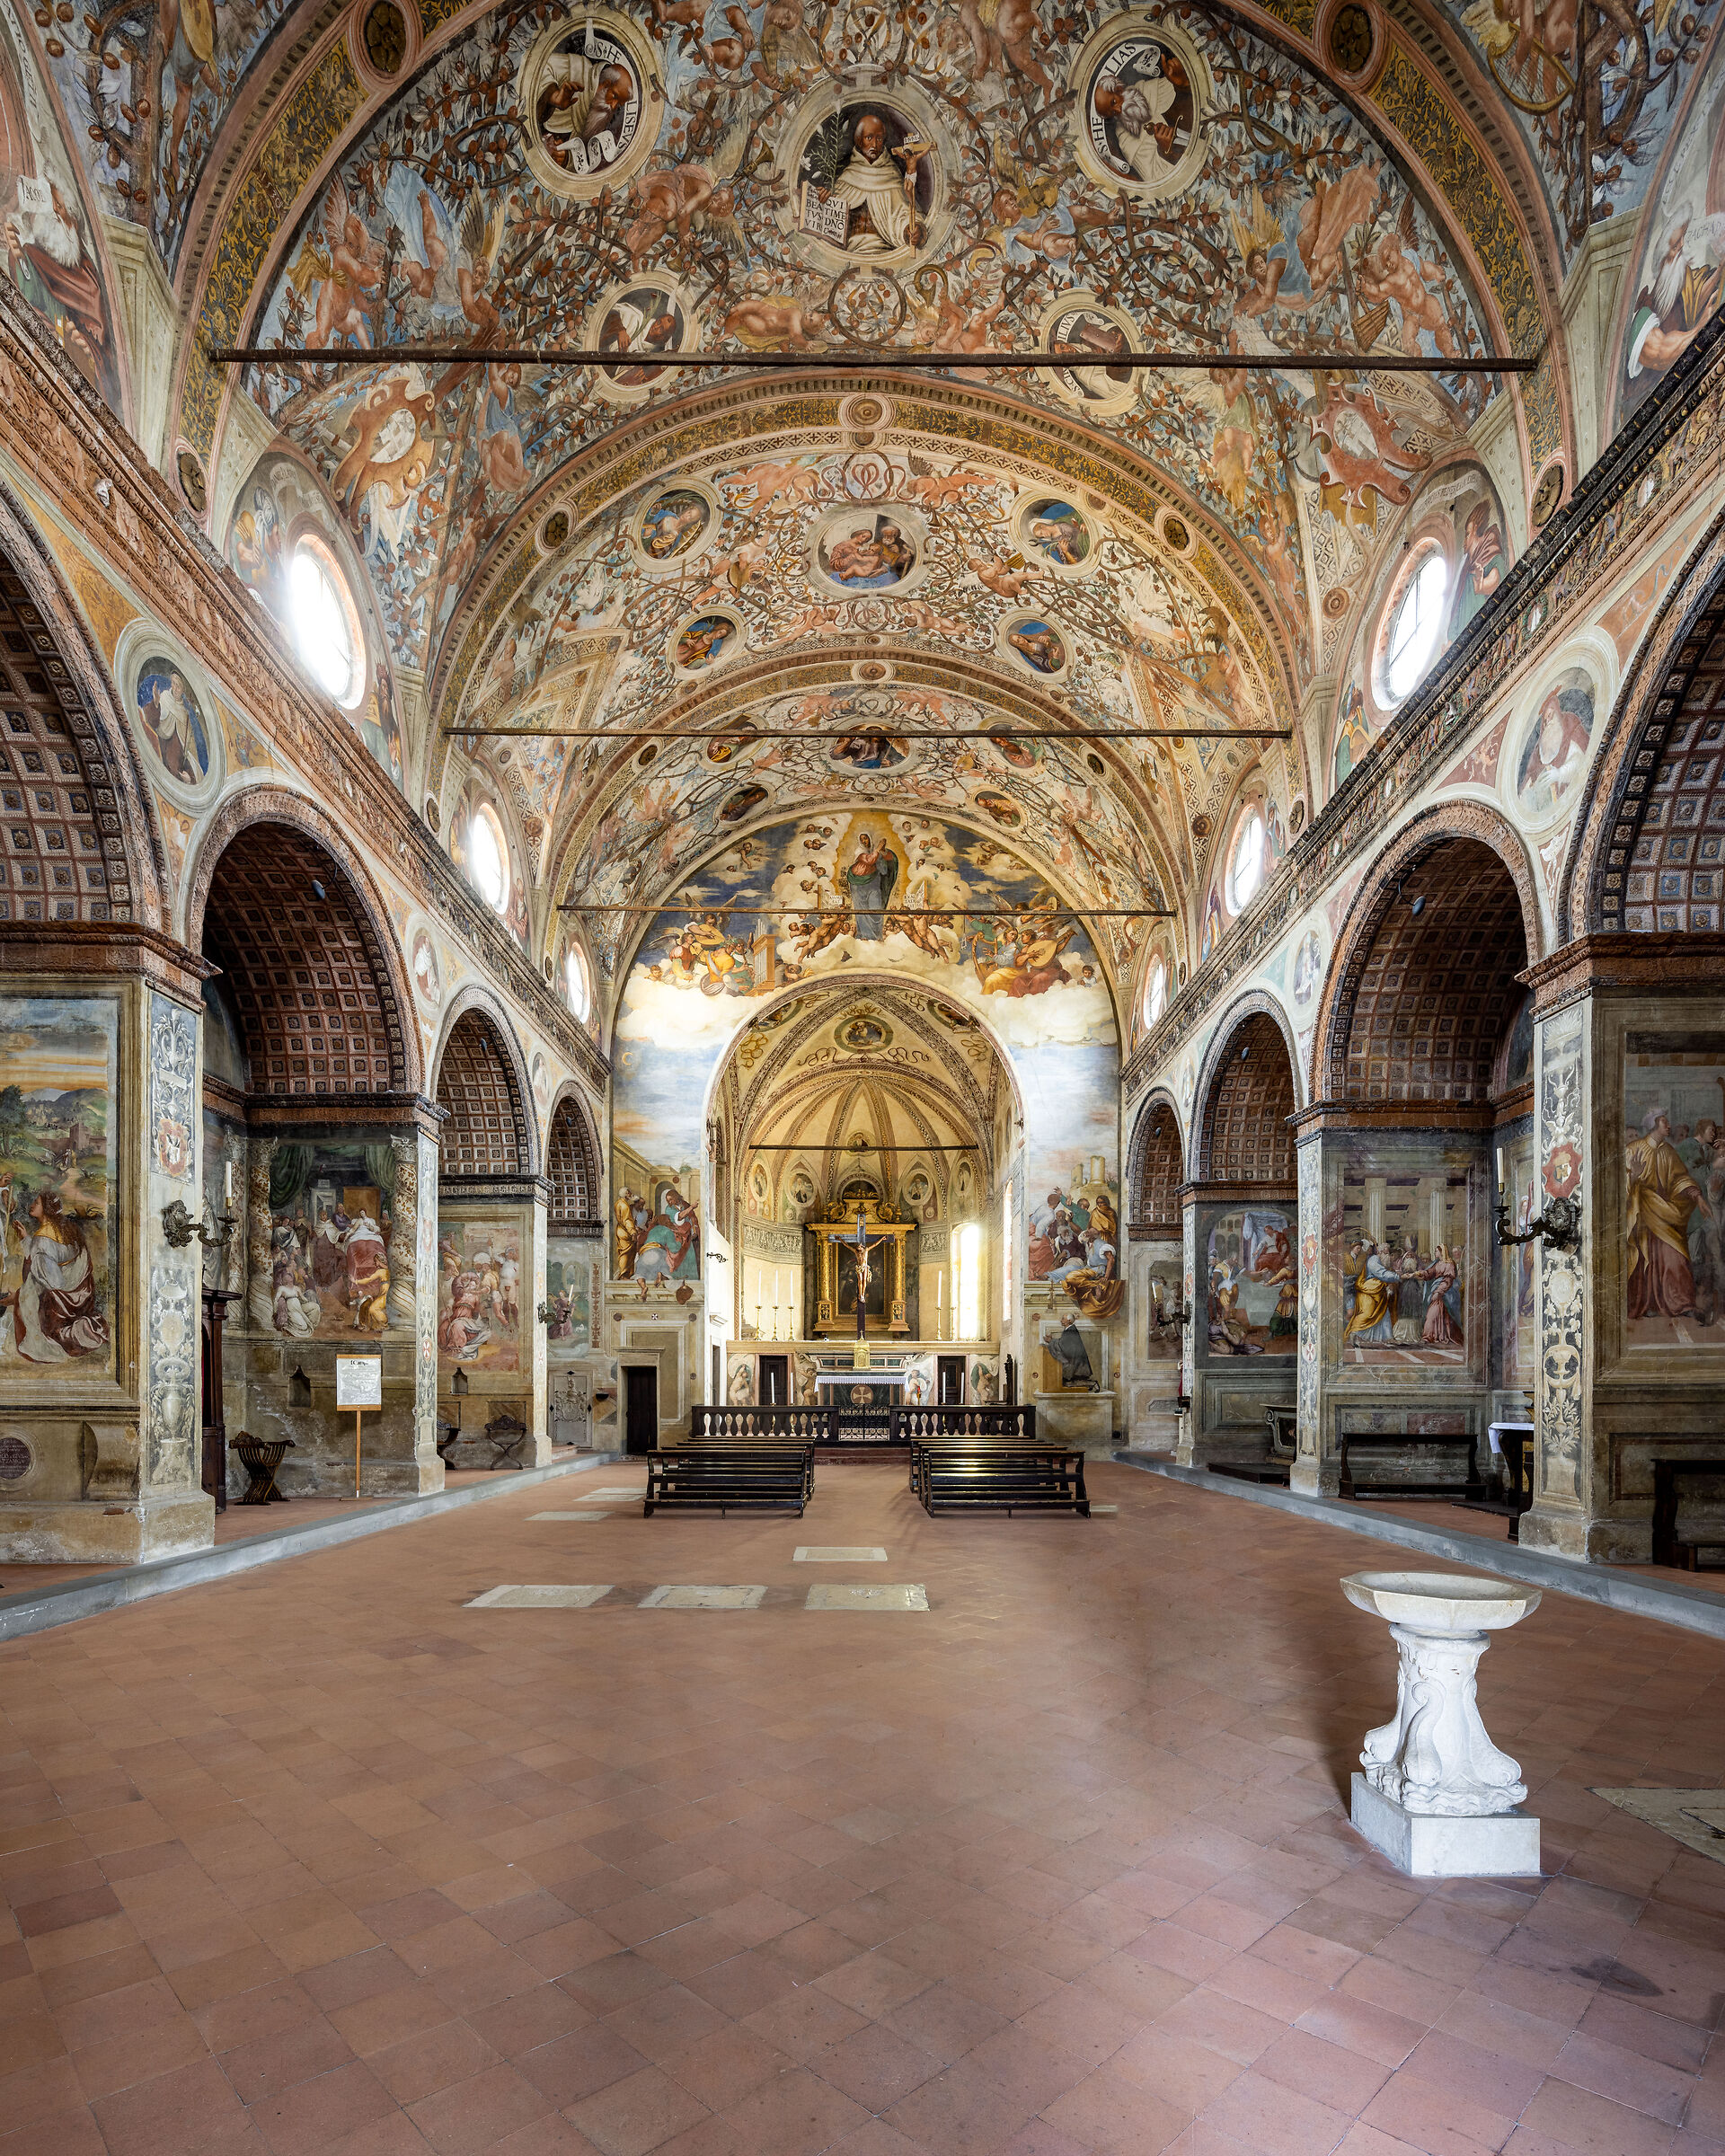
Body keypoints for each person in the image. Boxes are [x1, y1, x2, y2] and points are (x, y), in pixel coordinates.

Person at [1, 1188, 111, 1361]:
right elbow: (54, 1259)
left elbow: (53, 1282)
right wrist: (25, 1238)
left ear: (46, 1208)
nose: (32, 1205)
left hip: (62, 1303)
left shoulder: (42, 1238)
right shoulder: (66, 1229)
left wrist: (20, 1296)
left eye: (37, 1202)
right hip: (82, 1294)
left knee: (26, 1297)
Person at [1627, 1108, 1710, 1321]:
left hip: (1666, 1214)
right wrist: (1633, 1177)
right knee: (1644, 1261)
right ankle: (1648, 1304)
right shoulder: (1633, 1149)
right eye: (1665, 1121)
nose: (1669, 1125)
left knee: (1677, 1258)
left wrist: (1698, 1197)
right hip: (1642, 1216)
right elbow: (1620, 1189)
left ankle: (1682, 1303)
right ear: (1654, 1124)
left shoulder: (1668, 1151)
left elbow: (1680, 1178)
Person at [818, 114, 924, 253]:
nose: (874, 144)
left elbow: (902, 214)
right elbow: (830, 222)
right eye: (869, 138)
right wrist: (823, 202)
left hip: (885, 252)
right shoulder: (847, 178)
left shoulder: (891, 175)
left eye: (879, 139)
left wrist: (911, 230)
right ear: (859, 140)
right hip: (850, 253)